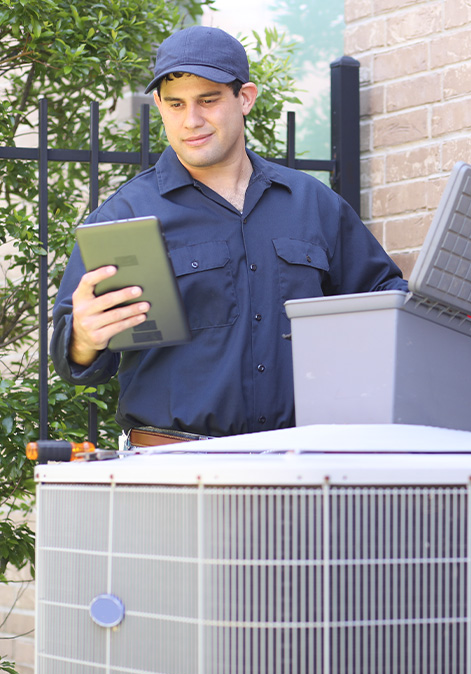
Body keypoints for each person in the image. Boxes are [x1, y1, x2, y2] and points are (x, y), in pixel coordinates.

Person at [50, 25, 408, 447]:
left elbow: (387, 297)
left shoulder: (313, 204)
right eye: (176, 104)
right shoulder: (125, 215)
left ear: (245, 98)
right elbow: (75, 357)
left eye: (208, 99)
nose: (192, 120)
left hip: (296, 461)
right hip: (172, 470)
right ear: (160, 107)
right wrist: (83, 339)